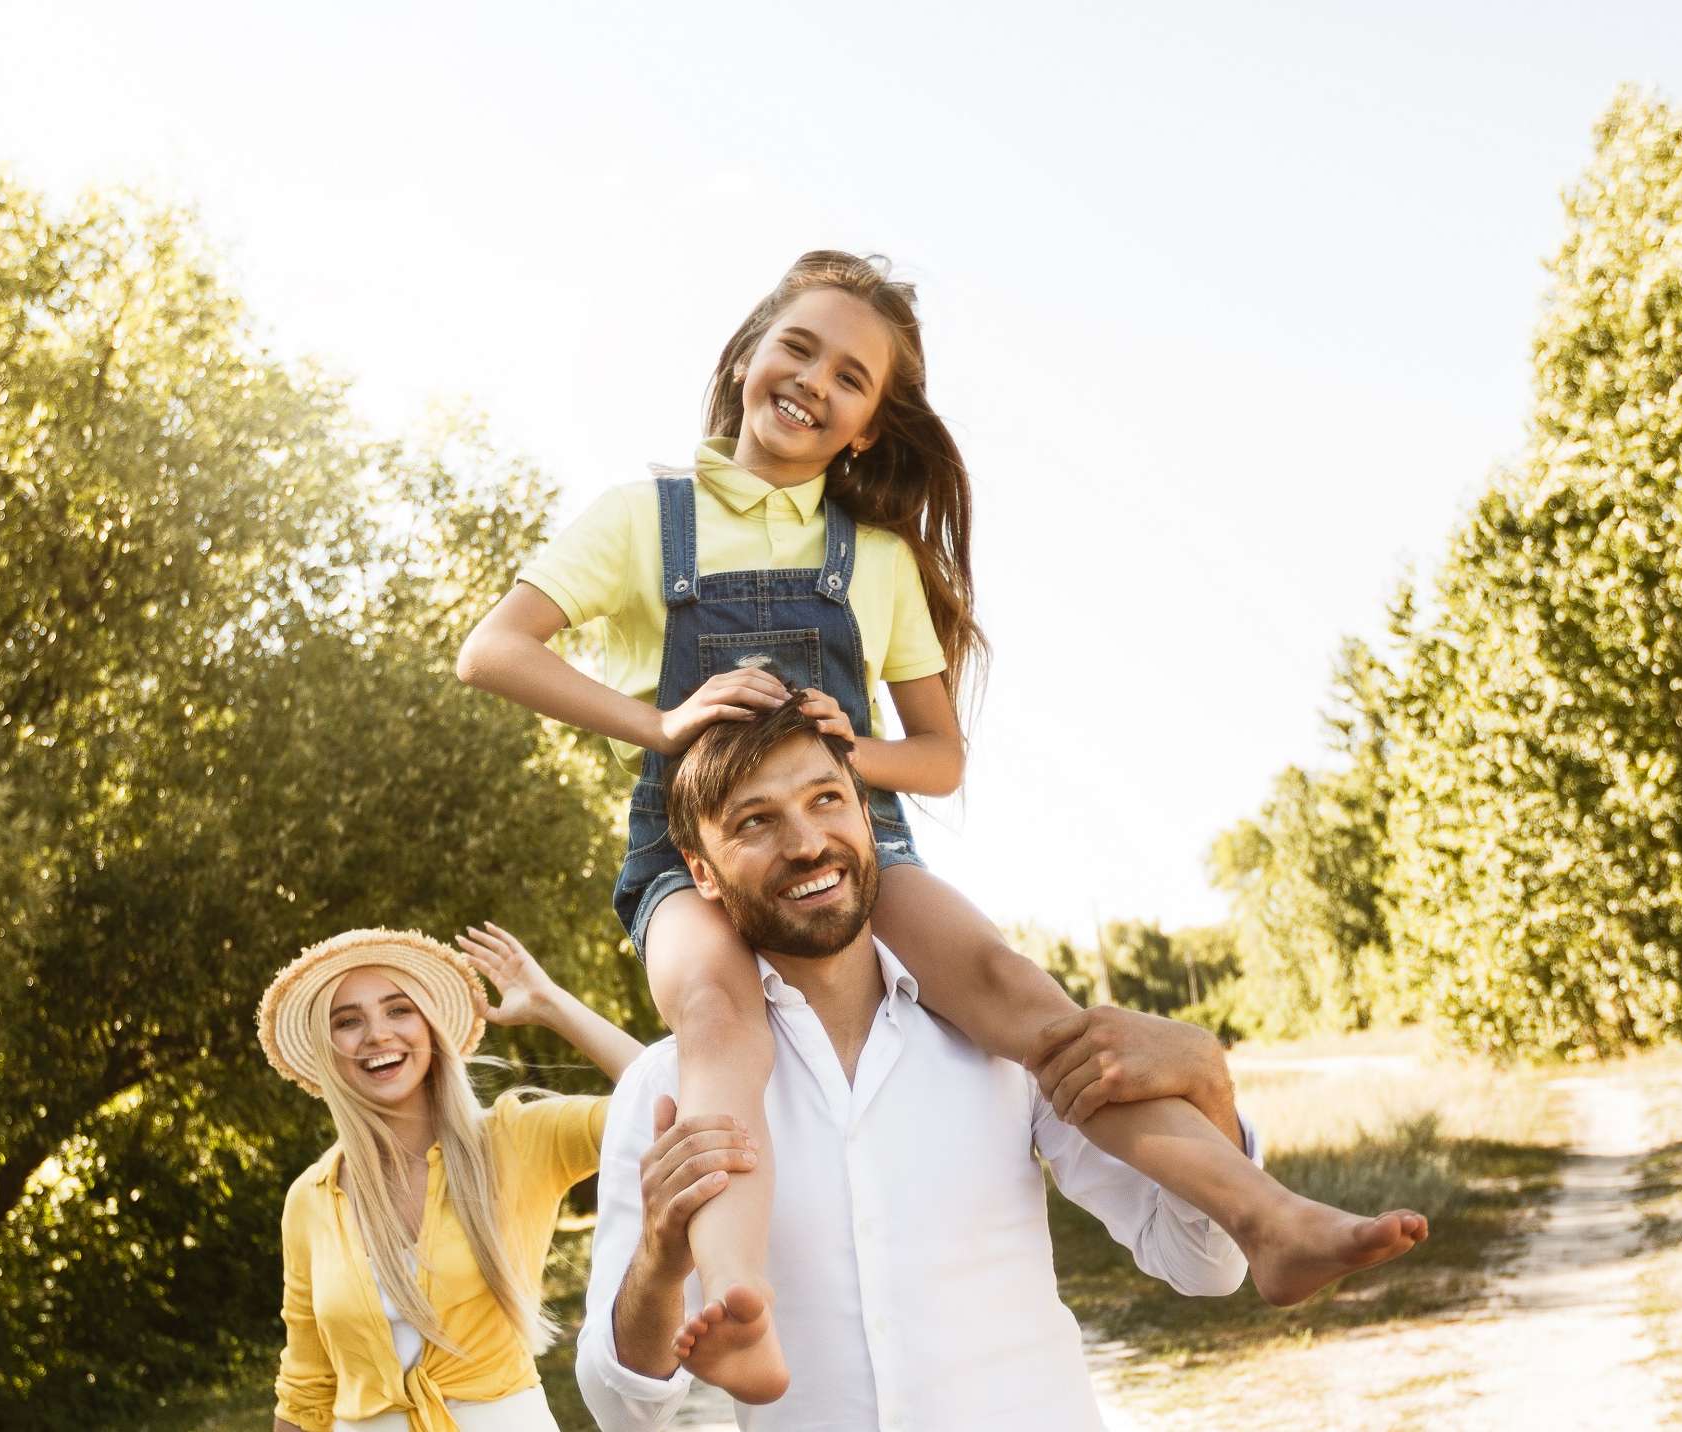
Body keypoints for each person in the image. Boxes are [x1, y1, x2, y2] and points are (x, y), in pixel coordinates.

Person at [458, 250, 1424, 1402]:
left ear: (869, 425)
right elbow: (492, 650)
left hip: (863, 825)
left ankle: (1264, 1215)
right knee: (717, 1016)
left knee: (1024, 995)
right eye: (799, 346)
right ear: (748, 355)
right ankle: (737, 1308)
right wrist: (662, 723)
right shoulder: (641, 519)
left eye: (852, 376)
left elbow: (940, 755)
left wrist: (852, 758)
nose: (815, 380)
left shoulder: (872, 561)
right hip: (690, 848)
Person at [575, 698, 1369, 1430]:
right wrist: (659, 1260)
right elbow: (621, 1410)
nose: (808, 842)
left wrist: (1209, 1081)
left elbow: (1203, 1263)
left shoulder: (1007, 1048)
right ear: (701, 871)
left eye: (826, 800)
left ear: (863, 811)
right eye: (756, 822)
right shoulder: (670, 1089)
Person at [262, 923, 665, 1432]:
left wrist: (550, 1005)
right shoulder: (312, 1197)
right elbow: (306, 1386)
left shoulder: (516, 1139)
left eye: (398, 1009)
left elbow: (663, 1103)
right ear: (328, 1048)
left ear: (429, 1025)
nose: (377, 1034)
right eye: (347, 1021)